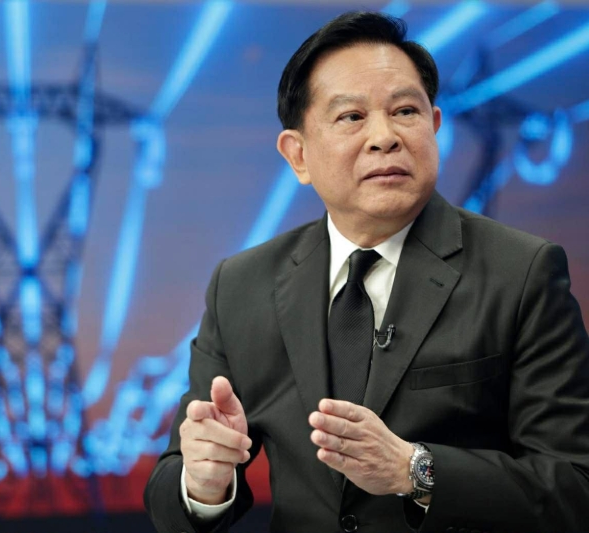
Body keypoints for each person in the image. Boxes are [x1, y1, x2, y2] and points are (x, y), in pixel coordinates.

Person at [144, 11, 589, 533]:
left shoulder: (522, 273)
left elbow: (574, 487)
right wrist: (204, 482)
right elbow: (169, 495)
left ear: (435, 126)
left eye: (405, 111)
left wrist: (415, 471)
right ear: (298, 155)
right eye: (352, 117)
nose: (384, 137)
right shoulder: (242, 287)